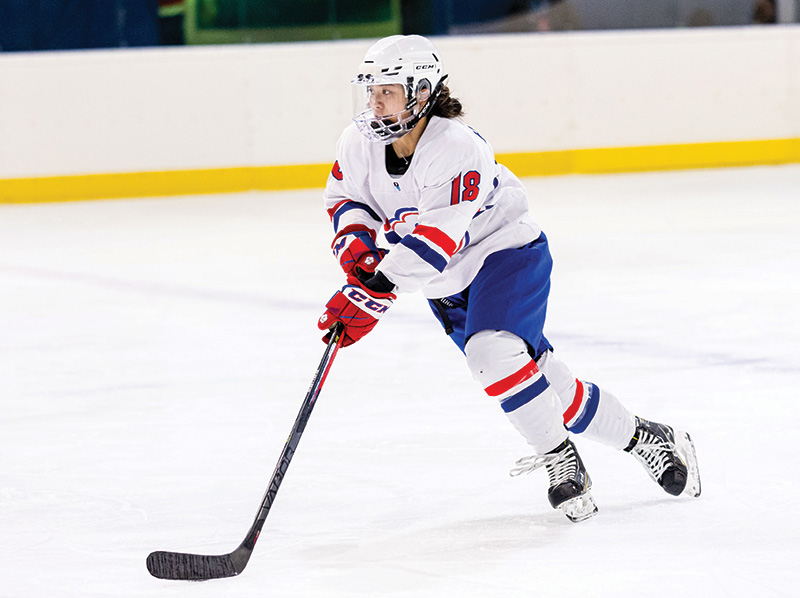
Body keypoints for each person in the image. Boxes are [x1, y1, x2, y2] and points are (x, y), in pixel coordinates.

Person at [317, 35, 701, 522]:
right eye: (370, 92)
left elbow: (435, 239)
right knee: (542, 384)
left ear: (420, 93)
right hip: (446, 283)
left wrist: (374, 292)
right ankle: (646, 438)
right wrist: (357, 249)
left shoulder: (455, 147)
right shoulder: (358, 143)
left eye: (387, 91)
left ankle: (560, 458)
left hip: (504, 252)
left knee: (491, 353)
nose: (374, 103)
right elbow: (347, 199)